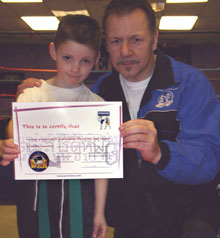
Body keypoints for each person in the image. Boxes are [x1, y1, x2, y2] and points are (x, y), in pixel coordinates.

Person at [7, 0, 220, 237]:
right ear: (105, 46)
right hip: (131, 221)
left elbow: (210, 159)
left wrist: (161, 153)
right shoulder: (100, 95)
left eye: (136, 39)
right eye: (116, 41)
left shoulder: (188, 83)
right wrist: (29, 109)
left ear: (155, 39)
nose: (125, 51)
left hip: (187, 213)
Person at [0, 14, 108, 238]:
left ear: (96, 58)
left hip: (81, 195)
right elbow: (16, 134)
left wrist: (99, 213)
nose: (75, 68)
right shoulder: (33, 95)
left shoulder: (98, 106)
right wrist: (10, 142)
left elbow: (103, 167)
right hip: (37, 193)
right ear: (53, 52)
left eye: (85, 61)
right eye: (67, 57)